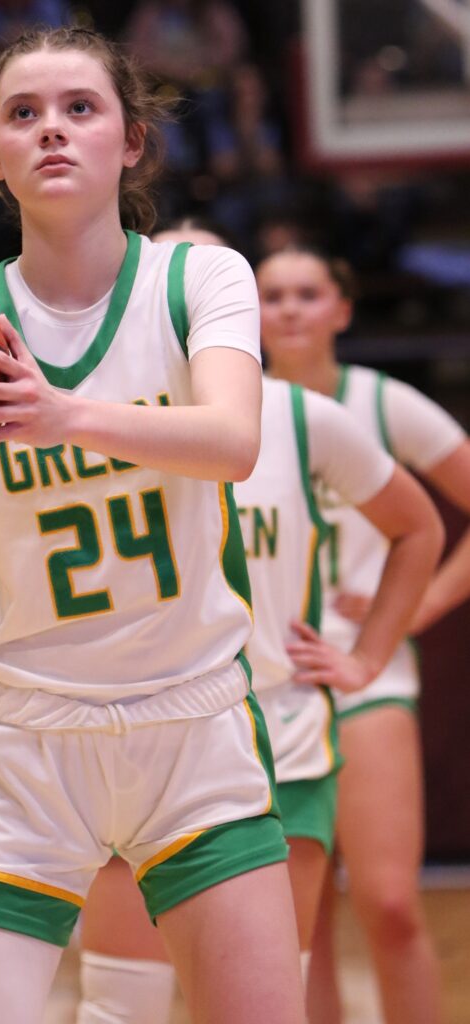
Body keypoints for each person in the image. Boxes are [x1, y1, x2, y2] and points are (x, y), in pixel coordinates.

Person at [0, 26, 305, 1024]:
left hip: (192, 721)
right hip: (24, 740)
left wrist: (60, 414)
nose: (50, 128)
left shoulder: (198, 281)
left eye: (78, 108)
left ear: (130, 142)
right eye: (23, 114)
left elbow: (232, 441)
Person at [72, 228, 444, 1024]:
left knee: (354, 928)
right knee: (129, 997)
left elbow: (420, 528)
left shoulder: (322, 414)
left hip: (286, 707)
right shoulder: (98, 419)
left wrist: (378, 644)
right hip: (140, 726)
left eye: (306, 294)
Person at [256, 247, 470, 1024]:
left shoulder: (382, 403)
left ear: (341, 311)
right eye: (272, 294)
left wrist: (414, 609)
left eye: (307, 293)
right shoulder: (227, 412)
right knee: (297, 927)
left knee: (389, 905)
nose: (288, 308)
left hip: (365, 675)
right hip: (266, 685)